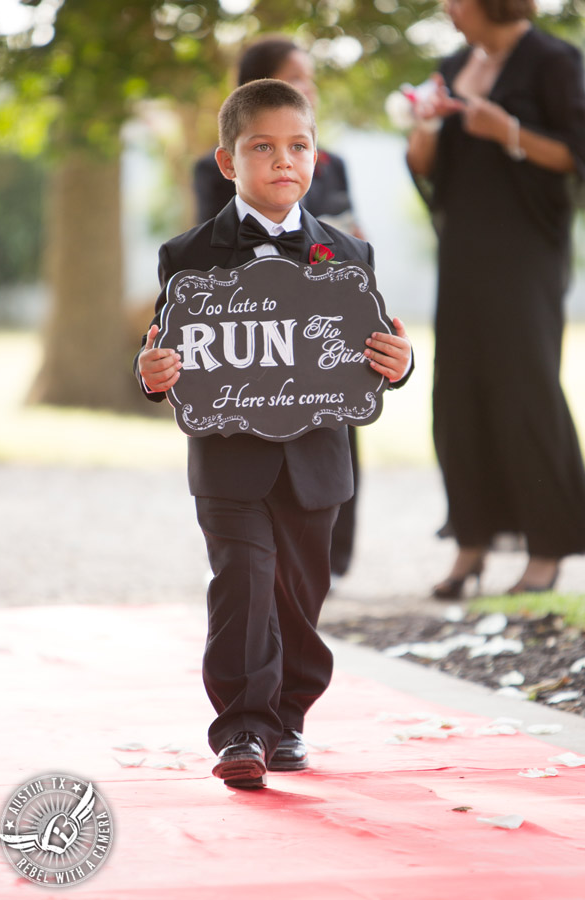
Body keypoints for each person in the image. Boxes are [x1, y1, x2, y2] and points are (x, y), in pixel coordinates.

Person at [136, 79, 413, 788]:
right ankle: (242, 732)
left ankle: (289, 719)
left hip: (316, 460)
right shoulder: (188, 255)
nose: (283, 160)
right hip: (229, 462)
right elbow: (166, 349)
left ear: (315, 156)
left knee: (298, 596)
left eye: (298, 146)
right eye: (263, 148)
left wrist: (399, 363)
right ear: (229, 162)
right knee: (243, 584)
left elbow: (370, 355)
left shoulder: (349, 256)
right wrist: (154, 370)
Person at [405, 0, 585, 598]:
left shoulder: (555, 61)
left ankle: (548, 547)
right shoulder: (452, 62)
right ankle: (470, 545)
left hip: (527, 250)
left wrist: (508, 131)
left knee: (525, 387)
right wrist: (427, 124)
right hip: (463, 254)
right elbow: (423, 166)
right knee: (456, 390)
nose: (448, 8)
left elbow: (575, 155)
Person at [194, 36, 364, 579]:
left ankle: (329, 558)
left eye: (299, 149)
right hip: (251, 343)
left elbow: (347, 230)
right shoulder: (211, 176)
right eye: (297, 77)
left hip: (319, 342)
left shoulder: (331, 165)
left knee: (330, 438)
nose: (308, 87)